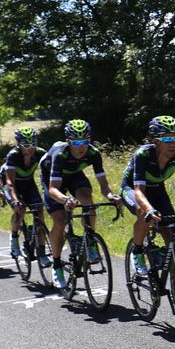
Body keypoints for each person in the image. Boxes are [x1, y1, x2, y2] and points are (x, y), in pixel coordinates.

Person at [40, 119, 120, 290]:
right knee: (60, 221)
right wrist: (65, 200)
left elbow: (103, 184)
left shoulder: (93, 153)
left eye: (85, 141)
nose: (81, 147)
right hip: (51, 178)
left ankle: (90, 241)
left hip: (74, 174)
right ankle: (56, 264)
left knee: (87, 200)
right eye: (76, 142)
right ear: (69, 141)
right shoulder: (60, 154)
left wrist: (111, 195)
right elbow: (53, 189)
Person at [121, 116, 175, 298]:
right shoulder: (143, 155)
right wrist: (150, 210)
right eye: (167, 139)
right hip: (133, 189)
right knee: (143, 211)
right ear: (155, 141)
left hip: (158, 189)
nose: (172, 143)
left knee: (172, 237)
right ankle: (137, 251)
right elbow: (138, 191)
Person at [1, 128, 45, 258]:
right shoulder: (13, 155)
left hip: (28, 182)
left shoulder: (40, 153)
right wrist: (15, 200)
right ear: (19, 145)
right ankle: (14, 238)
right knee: (20, 209)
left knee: (40, 210)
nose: (31, 148)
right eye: (26, 145)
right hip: (11, 184)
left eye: (34, 144)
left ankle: (41, 251)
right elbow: (10, 182)